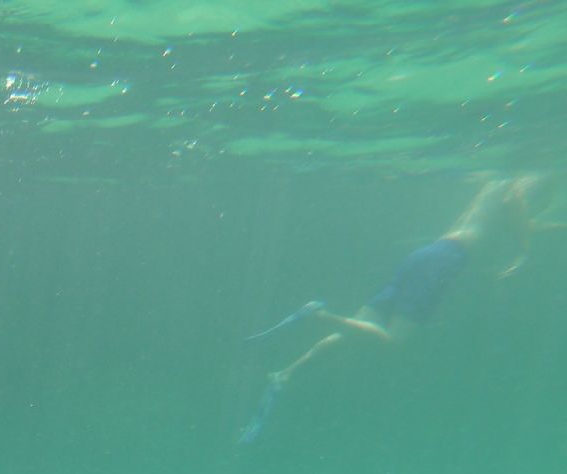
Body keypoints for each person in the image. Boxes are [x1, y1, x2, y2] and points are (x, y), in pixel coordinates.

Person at [240, 173, 563, 443]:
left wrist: (550, 229)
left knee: (356, 330)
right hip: (445, 263)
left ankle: (284, 374)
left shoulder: (496, 183)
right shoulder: (528, 177)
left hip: (429, 254)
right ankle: (319, 316)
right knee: (393, 342)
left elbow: (519, 219)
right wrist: (523, 251)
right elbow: (516, 203)